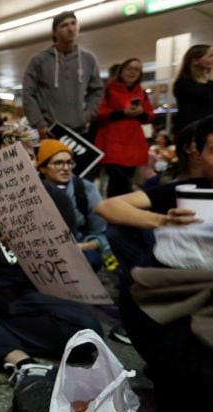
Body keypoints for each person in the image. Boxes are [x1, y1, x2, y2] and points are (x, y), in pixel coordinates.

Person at [0, 125, 102, 412]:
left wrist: (30, 243)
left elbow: (65, 267)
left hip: (29, 293)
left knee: (88, 334)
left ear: (34, 160)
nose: (19, 166)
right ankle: (21, 362)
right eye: (9, 160)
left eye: (27, 157)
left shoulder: (56, 199)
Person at [94, 114, 213, 412]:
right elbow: (109, 206)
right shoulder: (186, 193)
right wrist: (162, 220)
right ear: (197, 154)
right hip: (178, 311)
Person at [22, 11, 103, 140]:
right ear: (54, 32)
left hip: (80, 131)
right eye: (64, 25)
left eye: (73, 23)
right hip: (50, 131)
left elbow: (97, 91)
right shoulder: (39, 60)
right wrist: (39, 123)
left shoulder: (88, 59)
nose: (70, 29)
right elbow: (28, 94)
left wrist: (87, 115)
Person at [36, 139, 111, 271]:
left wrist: (81, 247)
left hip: (79, 247)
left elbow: (101, 233)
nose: (66, 168)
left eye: (69, 162)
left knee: (91, 260)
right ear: (42, 168)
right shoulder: (33, 191)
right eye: (58, 163)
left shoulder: (86, 189)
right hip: (42, 252)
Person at [95, 58, 155, 197]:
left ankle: (120, 211)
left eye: (137, 69)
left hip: (132, 142)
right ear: (121, 71)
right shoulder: (109, 90)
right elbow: (99, 114)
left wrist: (140, 113)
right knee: (119, 180)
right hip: (112, 141)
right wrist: (123, 113)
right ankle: (116, 212)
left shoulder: (141, 92)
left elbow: (150, 115)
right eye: (130, 68)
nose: (133, 72)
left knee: (125, 180)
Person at [172, 44, 213, 136]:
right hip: (192, 133)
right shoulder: (183, 83)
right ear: (195, 61)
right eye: (210, 56)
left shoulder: (208, 82)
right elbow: (205, 96)